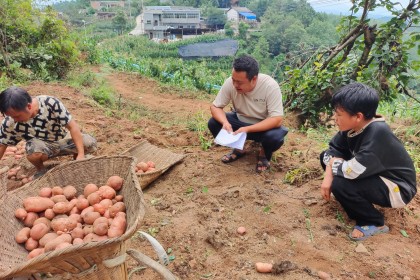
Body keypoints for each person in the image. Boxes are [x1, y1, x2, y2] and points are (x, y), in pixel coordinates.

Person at [320, 82, 416, 241]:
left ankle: (373, 221)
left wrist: (331, 172)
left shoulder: (378, 134)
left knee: (341, 184)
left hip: (397, 188)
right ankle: (355, 200)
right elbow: (332, 149)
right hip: (373, 173)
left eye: (339, 114)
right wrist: (330, 171)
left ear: (358, 116)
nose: (335, 119)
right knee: (326, 158)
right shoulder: (352, 128)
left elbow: (351, 172)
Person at [208, 55, 288, 172]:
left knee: (275, 137)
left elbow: (276, 119)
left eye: (240, 82)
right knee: (214, 123)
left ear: (254, 79)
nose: (235, 85)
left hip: (263, 126)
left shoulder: (270, 86)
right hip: (240, 121)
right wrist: (225, 122)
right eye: (233, 80)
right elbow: (215, 107)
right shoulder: (230, 83)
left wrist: (247, 129)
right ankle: (239, 149)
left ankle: (264, 154)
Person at [0, 86, 97, 178]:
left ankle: (76, 158)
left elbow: (73, 127)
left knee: (88, 142)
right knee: (33, 150)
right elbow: (2, 144)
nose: (15, 120)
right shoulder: (10, 122)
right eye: (12, 117)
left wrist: (81, 154)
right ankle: (41, 170)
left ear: (29, 106)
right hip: (43, 147)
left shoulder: (50, 103)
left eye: (17, 116)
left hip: (63, 140)